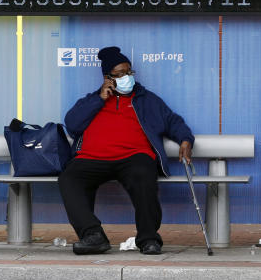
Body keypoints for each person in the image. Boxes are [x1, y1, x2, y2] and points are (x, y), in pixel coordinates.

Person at [58, 46, 194, 256]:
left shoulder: (146, 100)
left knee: (144, 174)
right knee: (69, 178)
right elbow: (72, 124)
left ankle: (148, 239)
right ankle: (93, 236)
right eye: (120, 74)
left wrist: (185, 139)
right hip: (93, 158)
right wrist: (99, 99)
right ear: (107, 78)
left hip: (133, 157)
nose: (126, 77)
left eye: (129, 72)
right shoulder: (92, 99)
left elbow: (172, 121)